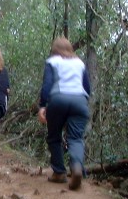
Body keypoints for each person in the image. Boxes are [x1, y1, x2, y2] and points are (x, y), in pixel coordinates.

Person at [38, 37, 91, 190]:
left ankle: (59, 173)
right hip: (79, 101)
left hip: (58, 99)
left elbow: (47, 85)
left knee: (54, 136)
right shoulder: (79, 63)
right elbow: (87, 87)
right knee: (76, 138)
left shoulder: (52, 61)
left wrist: (42, 106)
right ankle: (76, 167)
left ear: (55, 49)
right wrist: (81, 100)